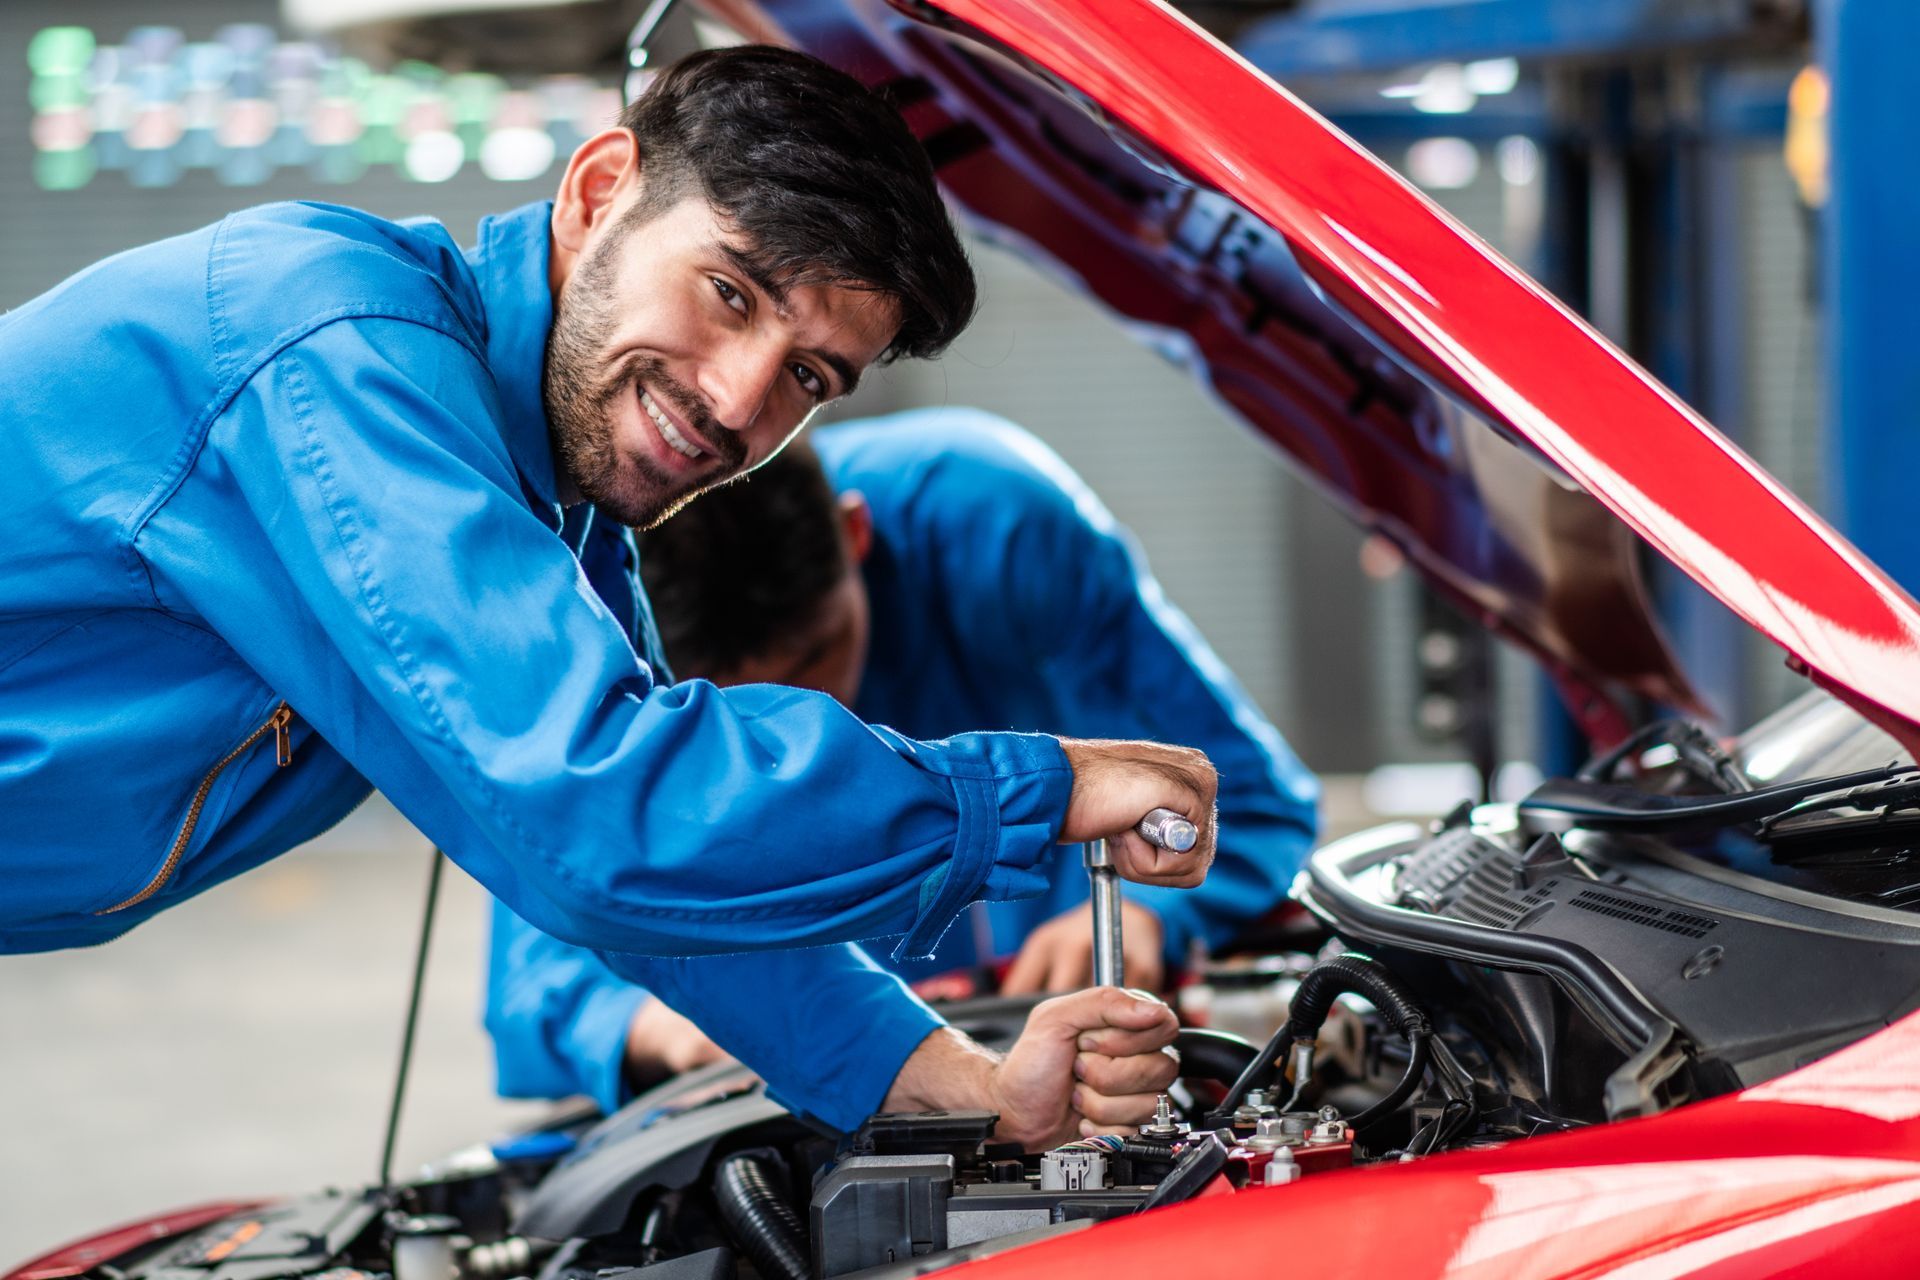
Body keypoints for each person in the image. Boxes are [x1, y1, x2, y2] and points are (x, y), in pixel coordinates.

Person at [0, 46, 1219, 1149]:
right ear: (597, 194)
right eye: (731, 292)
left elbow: (667, 905)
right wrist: (1033, 786)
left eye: (806, 372)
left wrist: (972, 1088)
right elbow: (598, 807)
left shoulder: (550, 512)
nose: (742, 403)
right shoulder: (331, 348)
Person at [487, 413, 1319, 1108]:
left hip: (1053, 1046)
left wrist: (1152, 915)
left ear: (857, 534)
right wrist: (678, 1026)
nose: (808, 732)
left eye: (816, 658)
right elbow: (540, 975)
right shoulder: (601, 642)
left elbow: (1251, 801)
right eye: (736, 719)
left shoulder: (995, 529)